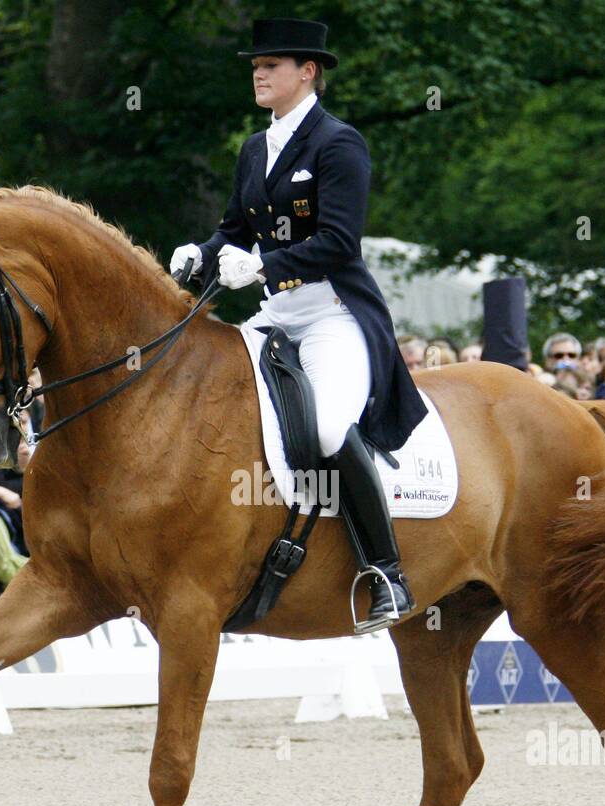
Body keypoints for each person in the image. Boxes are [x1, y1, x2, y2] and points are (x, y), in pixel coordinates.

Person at [169, 17, 425, 632]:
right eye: (256, 65)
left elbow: (338, 241)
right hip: (276, 315)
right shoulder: (255, 148)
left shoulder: (339, 144)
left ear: (307, 72)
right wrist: (200, 253)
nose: (259, 73)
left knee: (331, 429)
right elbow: (234, 228)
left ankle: (386, 572)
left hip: (333, 314)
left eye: (272, 64)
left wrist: (261, 265)